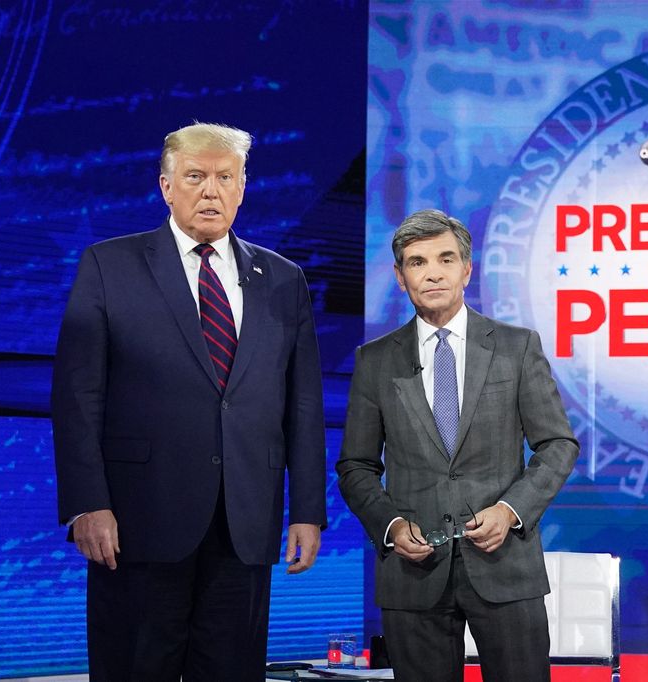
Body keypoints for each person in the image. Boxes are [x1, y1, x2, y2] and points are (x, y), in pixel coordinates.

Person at [51, 122, 327, 681]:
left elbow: (302, 403)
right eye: (195, 176)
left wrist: (307, 511)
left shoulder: (282, 278)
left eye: (226, 177)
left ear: (243, 187)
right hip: (136, 520)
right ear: (166, 186)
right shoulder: (109, 265)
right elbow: (77, 395)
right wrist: (86, 503)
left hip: (244, 522)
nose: (211, 190)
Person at [337, 209, 579, 681]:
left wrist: (510, 510)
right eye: (417, 262)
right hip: (414, 575)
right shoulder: (375, 361)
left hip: (506, 568)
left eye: (445, 259)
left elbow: (557, 445)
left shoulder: (517, 346)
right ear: (400, 276)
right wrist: (388, 525)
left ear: (467, 269)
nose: (432, 273)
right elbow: (356, 466)